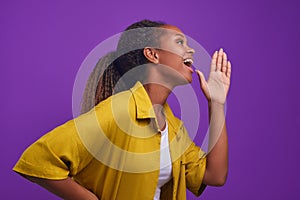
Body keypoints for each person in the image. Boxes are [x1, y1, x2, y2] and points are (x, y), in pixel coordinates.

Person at [13, 20, 231, 200]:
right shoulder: (119, 111)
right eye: (179, 42)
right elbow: (37, 160)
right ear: (152, 55)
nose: (190, 49)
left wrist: (217, 103)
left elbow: (215, 175)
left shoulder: (173, 126)